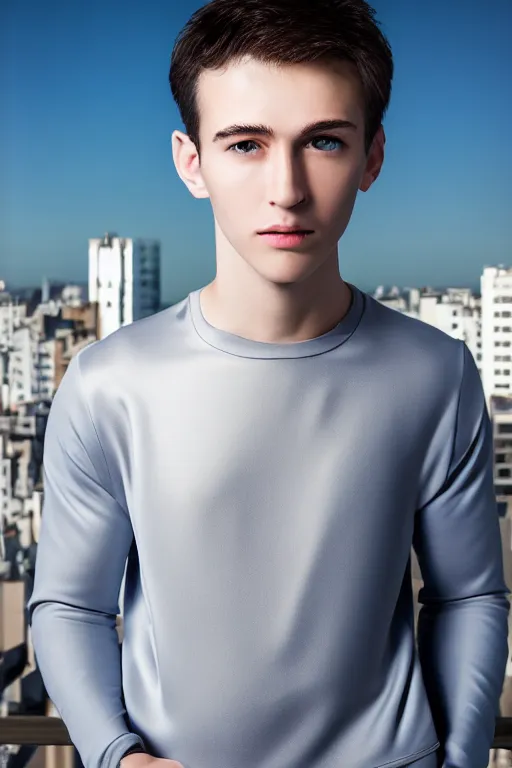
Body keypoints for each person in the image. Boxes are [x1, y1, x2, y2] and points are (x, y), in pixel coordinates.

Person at [27, 0, 510, 767]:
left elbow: (468, 595)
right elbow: (68, 605)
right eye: (246, 144)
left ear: (372, 157)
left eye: (323, 141)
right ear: (192, 162)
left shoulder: (435, 373)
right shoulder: (109, 383)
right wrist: (119, 756)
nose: (286, 188)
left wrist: (461, 760)